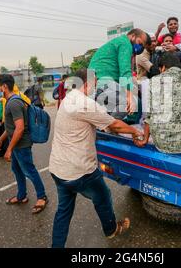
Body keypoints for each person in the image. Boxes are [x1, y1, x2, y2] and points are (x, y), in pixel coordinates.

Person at [49, 68, 143, 248]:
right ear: (87, 83)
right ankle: (111, 229)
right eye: (95, 82)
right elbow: (114, 125)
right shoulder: (85, 103)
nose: (97, 86)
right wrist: (134, 131)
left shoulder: (68, 98)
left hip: (58, 168)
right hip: (79, 171)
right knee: (103, 195)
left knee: (63, 211)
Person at [134, 53, 181, 154]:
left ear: (163, 68)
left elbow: (149, 116)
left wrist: (145, 140)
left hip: (161, 143)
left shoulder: (153, 82)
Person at [0, 74, 48, 215]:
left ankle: (42, 197)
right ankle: (21, 195)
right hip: (16, 144)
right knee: (17, 170)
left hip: (21, 145)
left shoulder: (14, 103)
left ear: (4, 86)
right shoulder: (10, 101)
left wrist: (9, 149)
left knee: (30, 171)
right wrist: (0, 140)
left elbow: (20, 128)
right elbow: (10, 127)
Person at [88, 28, 148, 119]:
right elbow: (125, 72)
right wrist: (129, 97)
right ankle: (109, 128)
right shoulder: (125, 43)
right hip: (103, 82)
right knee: (128, 104)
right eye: (140, 43)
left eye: (142, 46)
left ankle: (107, 127)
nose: (140, 47)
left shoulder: (119, 42)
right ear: (133, 36)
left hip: (94, 82)